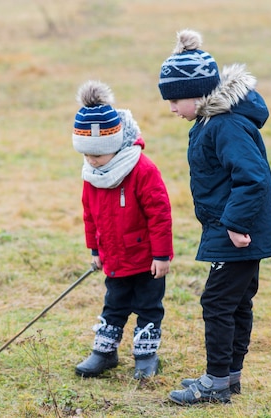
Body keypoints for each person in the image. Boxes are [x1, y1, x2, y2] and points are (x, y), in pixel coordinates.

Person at [157, 29, 271, 404]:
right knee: (236, 302)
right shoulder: (210, 122)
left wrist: (235, 224)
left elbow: (252, 177)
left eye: (176, 100)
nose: (171, 108)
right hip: (232, 229)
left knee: (216, 303)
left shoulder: (224, 125)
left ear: (199, 94)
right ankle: (229, 377)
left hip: (237, 233)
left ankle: (215, 383)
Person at [71, 80, 173, 379]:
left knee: (148, 307)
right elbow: (90, 215)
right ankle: (104, 353)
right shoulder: (92, 174)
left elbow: (160, 215)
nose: (91, 161)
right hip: (114, 258)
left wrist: (162, 255)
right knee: (113, 305)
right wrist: (95, 249)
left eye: (98, 155)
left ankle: (146, 356)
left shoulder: (142, 170)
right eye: (87, 155)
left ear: (114, 146)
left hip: (146, 259)